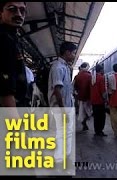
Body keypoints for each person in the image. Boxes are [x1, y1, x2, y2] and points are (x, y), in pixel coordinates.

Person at [0, 2, 31, 176]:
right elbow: (6, 92)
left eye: (22, 10)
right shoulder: (2, 40)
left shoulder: (9, 37)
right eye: (12, 9)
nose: (19, 13)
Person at [48, 41, 76, 173]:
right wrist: (63, 110)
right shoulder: (58, 67)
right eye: (73, 52)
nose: (74, 55)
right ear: (67, 52)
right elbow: (57, 91)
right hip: (61, 109)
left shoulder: (64, 67)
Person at [73, 62, 92, 131]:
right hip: (88, 97)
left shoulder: (77, 76)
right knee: (88, 112)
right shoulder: (90, 75)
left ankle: (84, 123)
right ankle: (84, 123)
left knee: (82, 112)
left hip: (80, 98)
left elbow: (74, 87)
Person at [90, 64, 107, 136]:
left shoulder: (92, 78)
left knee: (96, 117)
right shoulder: (101, 78)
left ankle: (96, 131)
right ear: (101, 70)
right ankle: (100, 131)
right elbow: (103, 91)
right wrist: (105, 99)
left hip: (93, 101)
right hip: (100, 101)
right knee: (102, 117)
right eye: (103, 69)